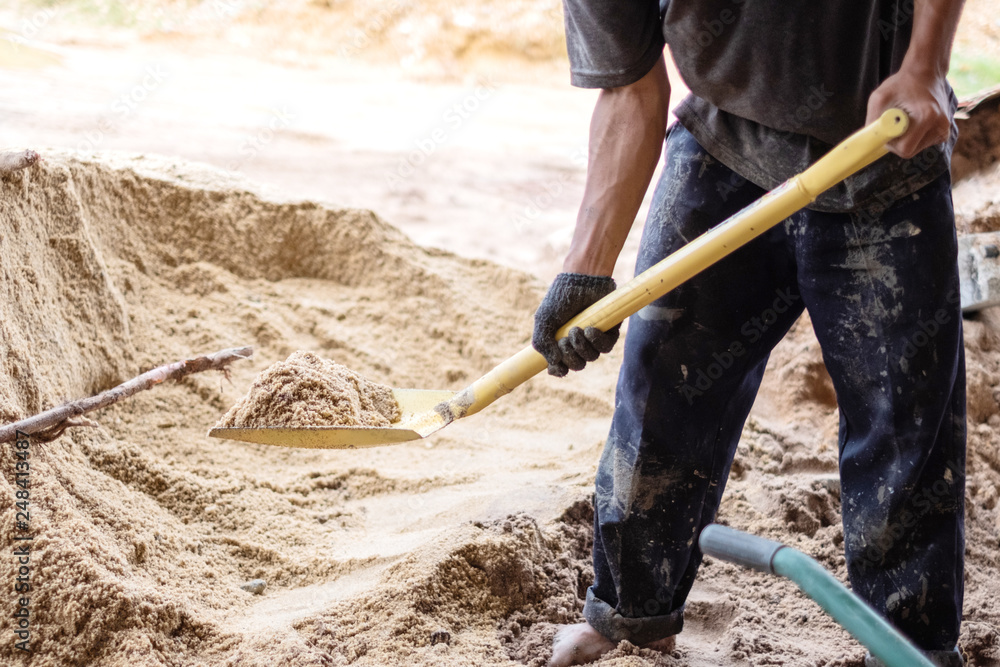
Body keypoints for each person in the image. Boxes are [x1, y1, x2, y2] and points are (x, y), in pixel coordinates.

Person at [531, 2, 968, 666]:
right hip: (719, 142)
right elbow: (630, 89)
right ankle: (631, 615)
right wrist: (586, 271)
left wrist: (925, 66)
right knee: (661, 394)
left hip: (883, 155)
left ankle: (908, 649)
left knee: (902, 428)